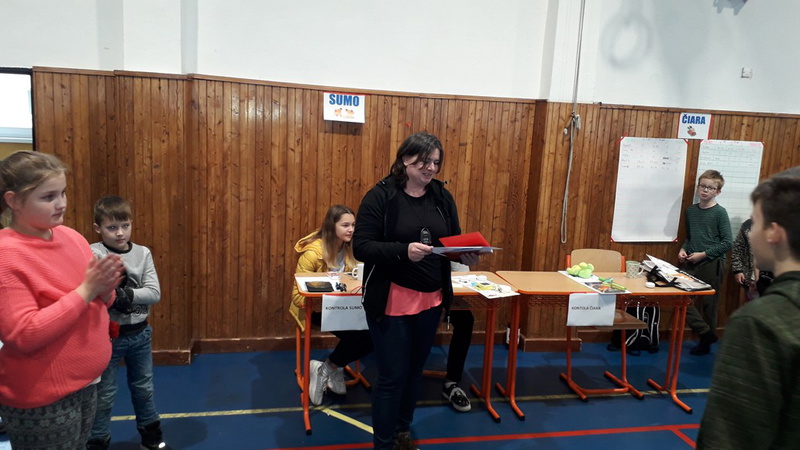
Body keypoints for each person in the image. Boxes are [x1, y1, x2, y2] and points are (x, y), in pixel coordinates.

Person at [354, 132, 478, 450]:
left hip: (431, 299)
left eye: (436, 162)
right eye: (424, 161)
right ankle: (383, 444)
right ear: (405, 159)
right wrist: (402, 251)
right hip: (392, 300)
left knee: (414, 372)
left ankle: (402, 434)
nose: (431, 168)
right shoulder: (381, 196)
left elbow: (450, 240)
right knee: (392, 376)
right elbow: (361, 247)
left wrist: (462, 254)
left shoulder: (441, 197)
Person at [0, 151, 124, 449]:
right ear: (13, 201)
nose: (62, 203)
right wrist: (87, 290)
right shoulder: (6, 255)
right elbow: (23, 334)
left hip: (87, 382)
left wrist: (105, 289)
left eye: (63, 193)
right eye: (49, 197)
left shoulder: (70, 237)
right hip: (42, 397)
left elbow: (99, 303)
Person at [696, 167, 800, 449]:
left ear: (773, 233)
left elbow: (731, 435)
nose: (750, 235)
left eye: (756, 223)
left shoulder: (760, 322)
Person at [86, 196, 171, 450]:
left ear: (132, 223)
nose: (120, 233)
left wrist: (125, 295)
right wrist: (113, 294)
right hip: (107, 337)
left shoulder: (143, 253)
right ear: (98, 228)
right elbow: (96, 291)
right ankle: (97, 442)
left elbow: (154, 293)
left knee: (144, 389)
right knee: (104, 395)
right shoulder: (94, 253)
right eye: (112, 227)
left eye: (125, 225)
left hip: (140, 334)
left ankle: (152, 440)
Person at [290, 204, 373, 406]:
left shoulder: (352, 250)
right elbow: (296, 296)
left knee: (372, 335)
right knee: (361, 337)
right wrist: (326, 295)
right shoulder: (312, 254)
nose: (351, 230)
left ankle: (327, 368)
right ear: (331, 226)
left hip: (346, 309)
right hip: (317, 311)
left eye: (353, 225)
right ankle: (333, 367)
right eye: (345, 225)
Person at [677, 170, 733, 355]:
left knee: (710, 305)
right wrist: (683, 249)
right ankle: (706, 333)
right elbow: (690, 237)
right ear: (698, 187)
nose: (705, 190)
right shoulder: (691, 211)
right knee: (681, 299)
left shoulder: (720, 213)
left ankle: (705, 344)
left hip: (712, 263)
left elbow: (727, 242)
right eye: (703, 186)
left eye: (711, 188)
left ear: (718, 192)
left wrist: (704, 254)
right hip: (691, 263)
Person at [731, 217, 774, 303]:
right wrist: (738, 270)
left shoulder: (779, 226)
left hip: (770, 280)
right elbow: (738, 249)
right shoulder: (748, 225)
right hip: (751, 278)